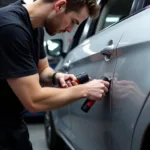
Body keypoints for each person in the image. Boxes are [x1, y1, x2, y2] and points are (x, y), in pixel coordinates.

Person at [0, 0, 110, 149]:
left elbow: (43, 69)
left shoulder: (35, 27)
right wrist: (85, 90)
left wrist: (57, 76)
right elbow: (34, 101)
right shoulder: (11, 28)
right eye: (72, 21)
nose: (70, 29)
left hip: (12, 124)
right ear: (59, 5)